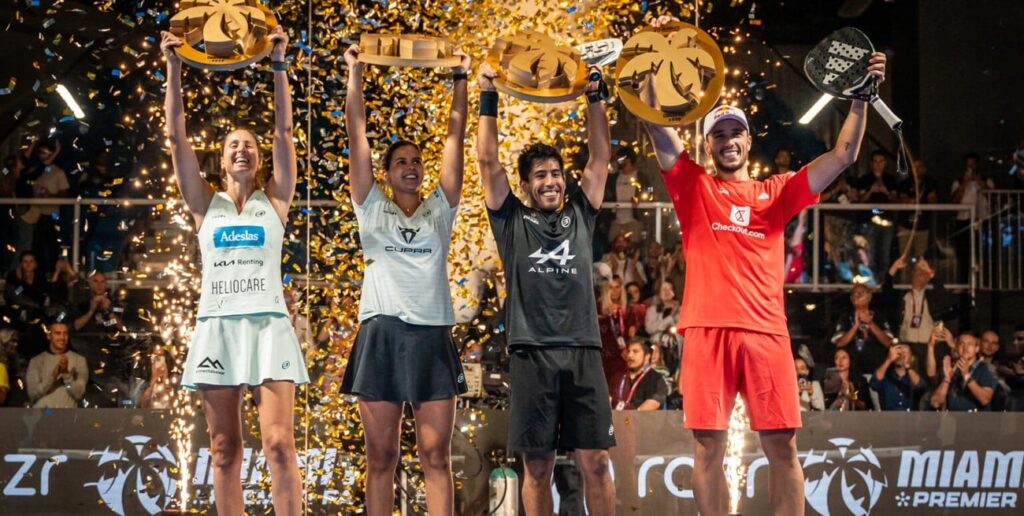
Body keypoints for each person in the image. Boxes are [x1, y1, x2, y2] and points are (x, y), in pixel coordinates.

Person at [637, 15, 886, 515]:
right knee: (706, 450)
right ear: (708, 144)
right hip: (707, 331)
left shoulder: (777, 192)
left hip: (766, 333)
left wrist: (860, 98)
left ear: (749, 142)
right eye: (719, 134)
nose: (728, 140)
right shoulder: (693, 187)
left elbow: (843, 155)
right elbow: (654, 123)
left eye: (736, 132)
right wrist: (650, 50)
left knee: (783, 449)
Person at [162, 27, 308, 516]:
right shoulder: (205, 203)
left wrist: (279, 64)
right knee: (224, 449)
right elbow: (176, 137)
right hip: (218, 327)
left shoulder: (276, 199)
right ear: (222, 160)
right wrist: (174, 65)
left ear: (259, 158)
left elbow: (285, 132)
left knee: (279, 446)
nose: (241, 149)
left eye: (249, 145)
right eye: (232, 146)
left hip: (268, 326)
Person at [477, 60, 615, 515]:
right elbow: (487, 161)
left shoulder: (581, 213)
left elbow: (599, 159)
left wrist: (595, 97)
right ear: (525, 185)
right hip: (531, 353)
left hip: (583, 350)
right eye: (540, 175)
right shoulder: (510, 219)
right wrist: (488, 94)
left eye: (556, 173)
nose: (551, 181)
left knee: (596, 463)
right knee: (537, 467)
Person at [339, 43, 470, 516]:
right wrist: (355, 73)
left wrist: (461, 79)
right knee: (381, 458)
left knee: (436, 457)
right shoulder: (371, 205)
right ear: (386, 173)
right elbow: (356, 134)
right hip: (382, 334)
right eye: (401, 162)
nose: (411, 167)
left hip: (432, 334)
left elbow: (455, 139)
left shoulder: (440, 208)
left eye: (416, 161)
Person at [831, 283, 895, 379]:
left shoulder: (878, 317)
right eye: (855, 293)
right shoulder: (845, 317)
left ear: (869, 297)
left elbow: (888, 342)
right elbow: (840, 343)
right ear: (851, 299)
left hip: (877, 370)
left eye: (862, 293)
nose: (858, 296)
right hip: (853, 372)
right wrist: (855, 326)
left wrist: (871, 323)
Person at [26, 321, 87, 408]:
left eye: (65, 333)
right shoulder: (36, 361)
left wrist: (66, 375)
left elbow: (78, 394)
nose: (62, 337)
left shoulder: (79, 360)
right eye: (58, 333)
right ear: (49, 336)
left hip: (68, 414)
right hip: (45, 414)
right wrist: (52, 378)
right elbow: (33, 395)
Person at [930, 332, 996, 411]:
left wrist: (966, 375)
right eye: (961, 344)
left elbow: (985, 400)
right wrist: (947, 378)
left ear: (977, 349)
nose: (965, 348)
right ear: (957, 348)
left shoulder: (985, 369)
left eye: (970, 344)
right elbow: (935, 403)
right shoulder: (952, 369)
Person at [610, 339, 668, 411]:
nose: (629, 355)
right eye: (628, 351)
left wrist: (631, 416)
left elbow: (654, 403)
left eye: (635, 352)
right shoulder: (618, 377)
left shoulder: (656, 379)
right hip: (615, 416)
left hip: (641, 417)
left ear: (647, 356)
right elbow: (608, 400)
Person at [869, 343, 926, 411]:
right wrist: (889, 360)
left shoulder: (914, 377)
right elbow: (875, 384)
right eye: (898, 354)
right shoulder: (886, 377)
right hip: (889, 416)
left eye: (904, 353)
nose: (900, 356)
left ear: (912, 358)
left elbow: (921, 387)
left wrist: (907, 366)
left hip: (910, 416)